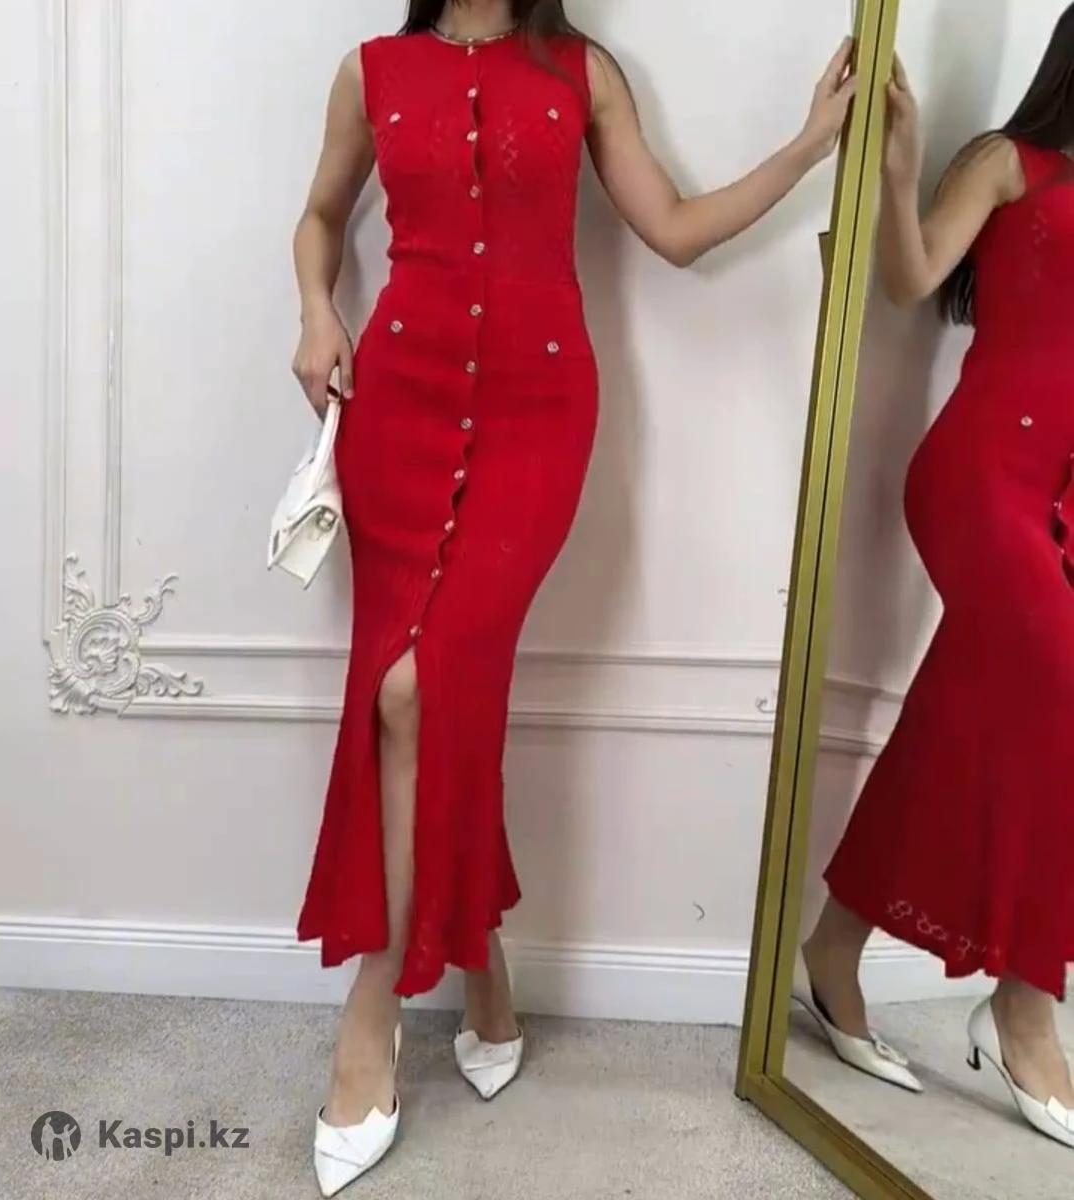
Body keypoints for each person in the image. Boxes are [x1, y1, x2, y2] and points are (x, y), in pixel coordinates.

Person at [291, 1, 855, 1190]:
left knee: (422, 688)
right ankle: (478, 966)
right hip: (397, 403)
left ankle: (372, 1003)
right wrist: (315, 311)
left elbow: (676, 230)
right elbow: (321, 214)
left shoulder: (581, 72)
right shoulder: (369, 71)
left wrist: (809, 145)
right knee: (412, 697)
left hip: (536, 418)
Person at [801, 6, 1074, 1152]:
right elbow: (910, 277)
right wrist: (901, 160)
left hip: (1054, 499)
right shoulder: (1009, 161)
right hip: (972, 476)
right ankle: (1024, 1005)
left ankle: (831, 946)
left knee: (951, 723)